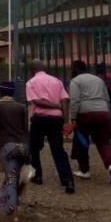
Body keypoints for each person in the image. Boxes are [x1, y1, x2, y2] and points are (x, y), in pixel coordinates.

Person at [25, 60, 74, 193]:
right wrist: (65, 120)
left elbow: (37, 102)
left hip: (40, 119)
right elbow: (64, 100)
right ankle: (68, 180)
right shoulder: (56, 81)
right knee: (58, 150)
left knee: (34, 148)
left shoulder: (31, 83)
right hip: (56, 119)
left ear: (31, 70)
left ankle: (37, 176)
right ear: (43, 68)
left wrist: (54, 106)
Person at [69, 60, 111, 186]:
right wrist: (109, 116)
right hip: (102, 112)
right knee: (103, 142)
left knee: (82, 141)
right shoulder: (99, 80)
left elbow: (75, 101)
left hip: (85, 113)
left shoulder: (76, 81)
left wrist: (73, 118)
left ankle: (84, 170)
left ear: (75, 69)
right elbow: (107, 99)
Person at [0, 81, 30, 222]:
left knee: (11, 180)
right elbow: (25, 130)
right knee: (13, 177)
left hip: (8, 146)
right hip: (23, 147)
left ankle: (14, 214)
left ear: (0, 92)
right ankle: (6, 202)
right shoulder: (21, 107)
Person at [94, 62, 111, 139]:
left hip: (107, 96)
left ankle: (109, 134)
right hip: (107, 97)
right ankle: (108, 134)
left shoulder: (107, 77)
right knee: (107, 116)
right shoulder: (107, 76)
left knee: (107, 116)